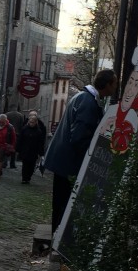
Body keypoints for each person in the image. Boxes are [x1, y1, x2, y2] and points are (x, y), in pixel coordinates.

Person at [43, 69, 119, 231]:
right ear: (107, 85)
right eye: (114, 84)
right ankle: (58, 236)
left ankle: (57, 234)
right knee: (63, 204)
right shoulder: (88, 103)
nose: (116, 88)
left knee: (60, 203)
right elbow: (79, 138)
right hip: (69, 163)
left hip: (64, 160)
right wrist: (92, 159)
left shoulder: (83, 97)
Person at [16, 110, 46, 184]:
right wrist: (18, 148)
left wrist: (41, 153)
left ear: (36, 122)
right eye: (30, 122)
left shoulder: (38, 131)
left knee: (31, 165)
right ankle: (24, 178)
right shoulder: (24, 129)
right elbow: (20, 139)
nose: (31, 124)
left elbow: (40, 142)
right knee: (25, 165)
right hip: (25, 150)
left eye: (33, 122)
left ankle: (28, 177)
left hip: (33, 151)